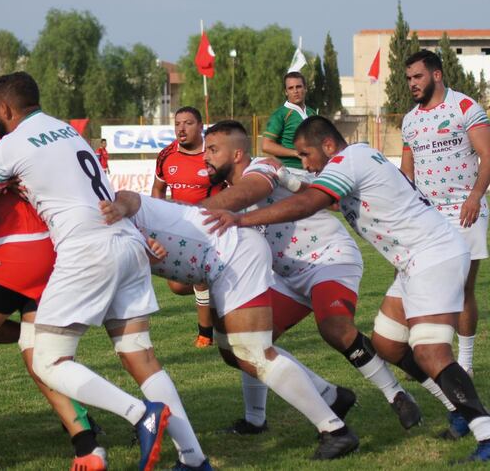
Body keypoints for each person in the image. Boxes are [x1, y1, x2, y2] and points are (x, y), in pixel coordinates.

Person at [0, 72, 209, 471]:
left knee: (47, 360)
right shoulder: (66, 130)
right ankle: (194, 458)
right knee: (141, 357)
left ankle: (140, 415)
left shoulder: (10, 145)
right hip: (126, 242)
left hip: (86, 250)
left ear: (5, 108)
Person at [207, 115, 490, 462]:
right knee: (387, 343)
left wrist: (241, 218)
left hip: (433, 255)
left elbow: (313, 201)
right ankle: (455, 408)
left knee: (431, 352)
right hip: (414, 261)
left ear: (328, 146)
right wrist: (289, 177)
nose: (306, 163)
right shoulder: (354, 159)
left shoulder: (348, 160)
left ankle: (485, 433)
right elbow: (323, 195)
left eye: (306, 154)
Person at [100, 187, 360, 460]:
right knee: (233, 352)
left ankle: (335, 431)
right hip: (216, 261)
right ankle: (328, 396)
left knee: (253, 351)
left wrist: (119, 210)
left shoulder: (108, 202)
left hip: (234, 252)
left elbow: (128, 197)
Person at [198, 120, 420, 433]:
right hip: (288, 275)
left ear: (237, 154)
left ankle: (396, 394)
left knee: (333, 327)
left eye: (212, 149)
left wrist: (183, 217)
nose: (205, 156)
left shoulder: (260, 169)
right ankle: (310, 402)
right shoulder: (233, 190)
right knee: (239, 343)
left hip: (329, 258)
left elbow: (251, 192)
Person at [0, 82, 106, 470]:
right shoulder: (58, 129)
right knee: (39, 355)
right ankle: (88, 446)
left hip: (16, 249)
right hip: (56, 249)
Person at [400, 50, 490, 381]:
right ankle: (428, 352)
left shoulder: (465, 107)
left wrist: (475, 198)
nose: (412, 83)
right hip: (427, 216)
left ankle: (464, 362)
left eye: (418, 76)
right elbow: (406, 172)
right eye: (408, 78)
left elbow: (487, 155)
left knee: (461, 289)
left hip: (465, 211)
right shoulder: (409, 120)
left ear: (436, 75)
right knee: (420, 286)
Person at [151, 106, 220, 348]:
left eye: (188, 123)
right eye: (178, 123)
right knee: (177, 285)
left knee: (199, 277)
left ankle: (206, 334)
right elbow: (158, 190)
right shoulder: (166, 155)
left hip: (211, 228)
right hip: (179, 229)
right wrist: (156, 222)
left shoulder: (213, 153)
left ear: (201, 126)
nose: (181, 128)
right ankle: (222, 288)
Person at [261, 72, 316, 172]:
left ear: (305, 88)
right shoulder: (280, 114)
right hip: (289, 171)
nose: (295, 91)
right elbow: (266, 145)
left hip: (313, 170)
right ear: (286, 92)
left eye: (298, 87)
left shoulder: (312, 113)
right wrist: (295, 153)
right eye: (291, 88)